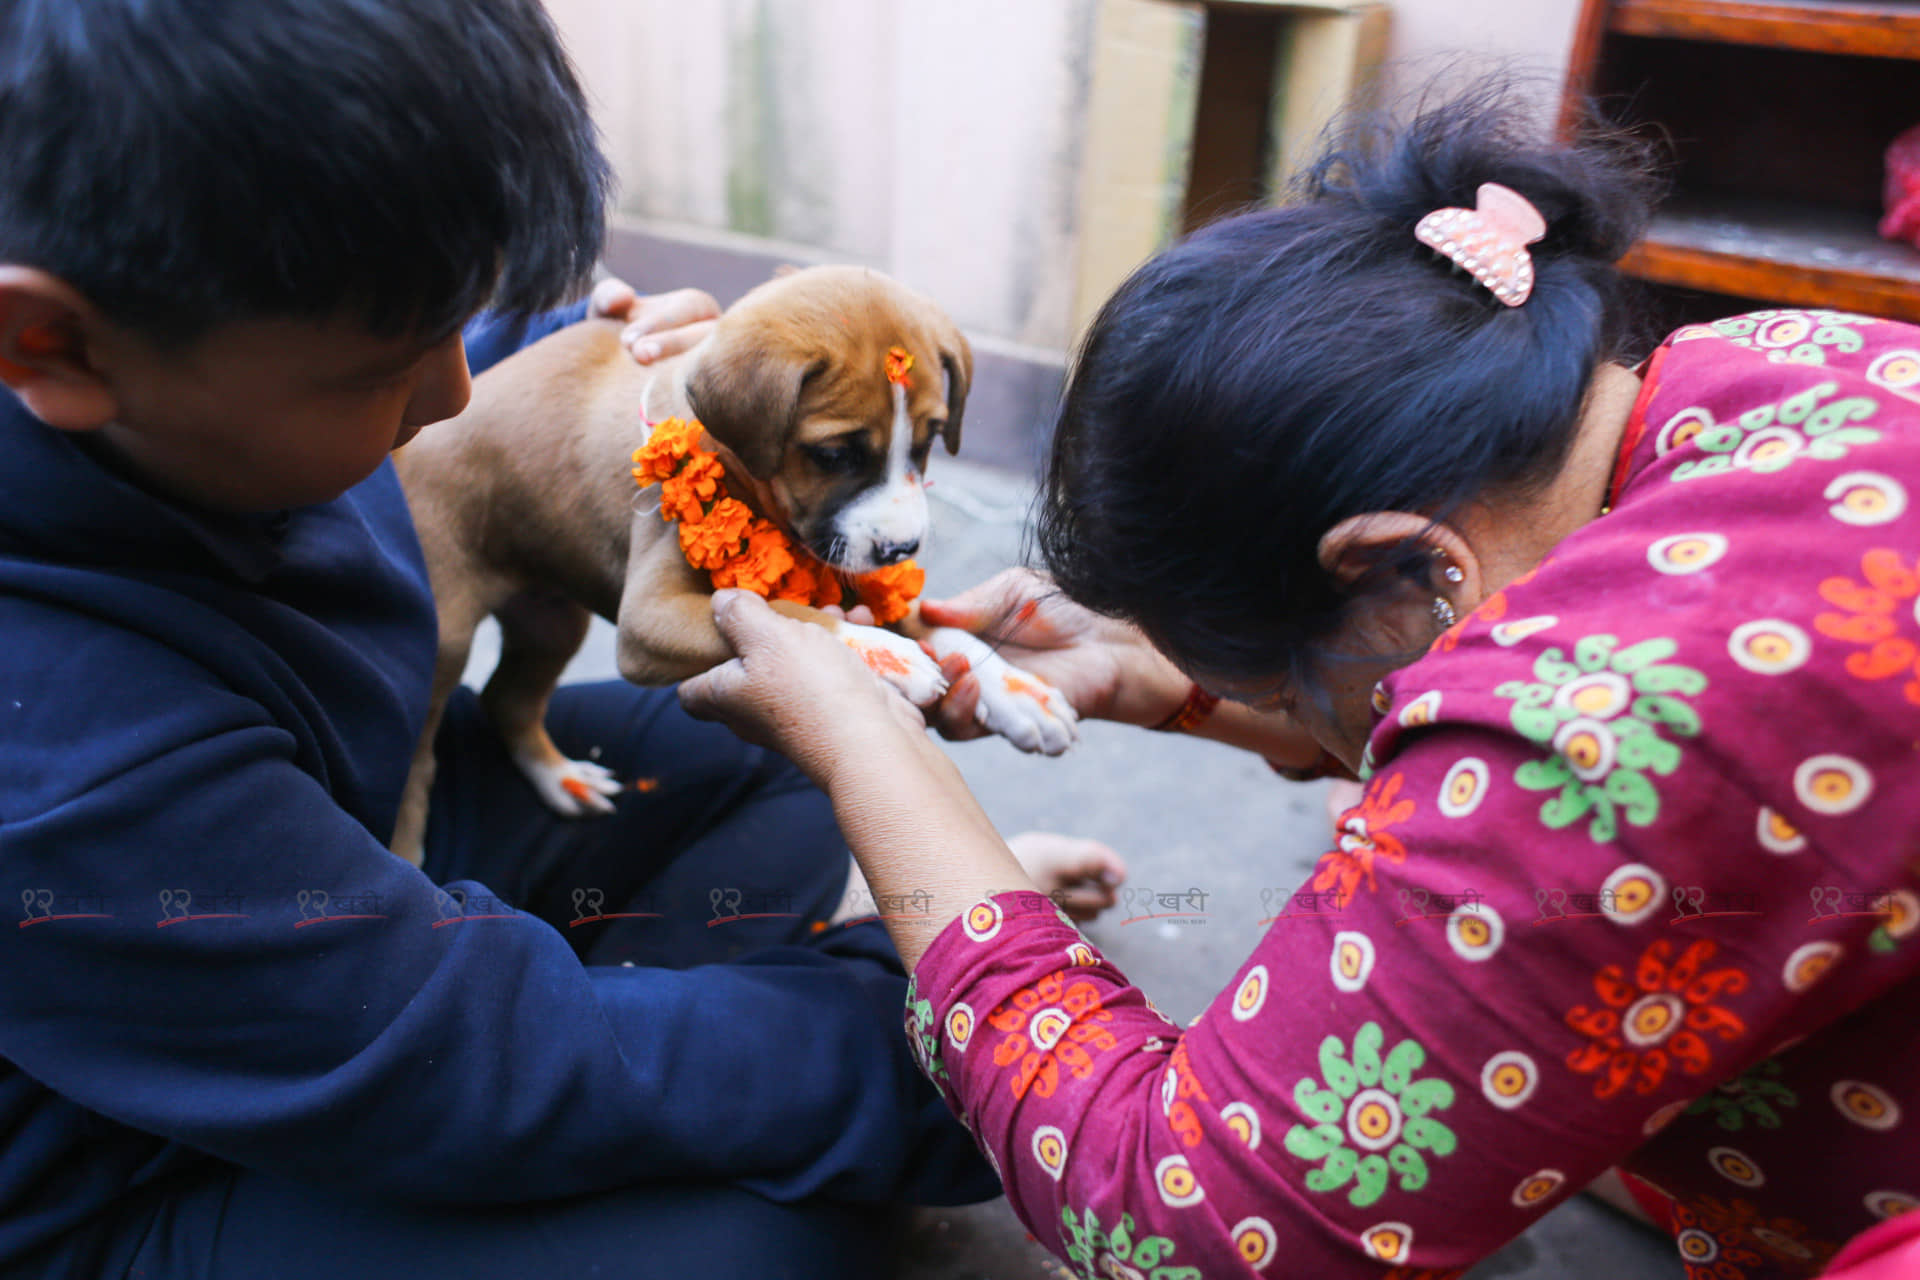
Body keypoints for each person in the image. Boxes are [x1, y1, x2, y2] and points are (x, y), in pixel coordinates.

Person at [680, 85, 1920, 1279]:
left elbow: (1173, 1214)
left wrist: (870, 753)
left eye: (1278, 676)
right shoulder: (1764, 360)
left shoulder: (1582, 744)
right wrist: (1161, 676)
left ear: (1403, 563)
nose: (1306, 718)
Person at [0, 2, 1136, 1274]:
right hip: (149, 1154)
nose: (450, 394)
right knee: (752, 1238)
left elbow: (457, 381)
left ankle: (711, 1017)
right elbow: (440, 1048)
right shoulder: (57, 756)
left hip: (349, 862)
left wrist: (588, 362)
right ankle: (789, 1003)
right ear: (50, 341)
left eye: (464, 316)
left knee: (771, 735)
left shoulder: (202, 395)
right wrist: (980, 1036)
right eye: (383, 362)